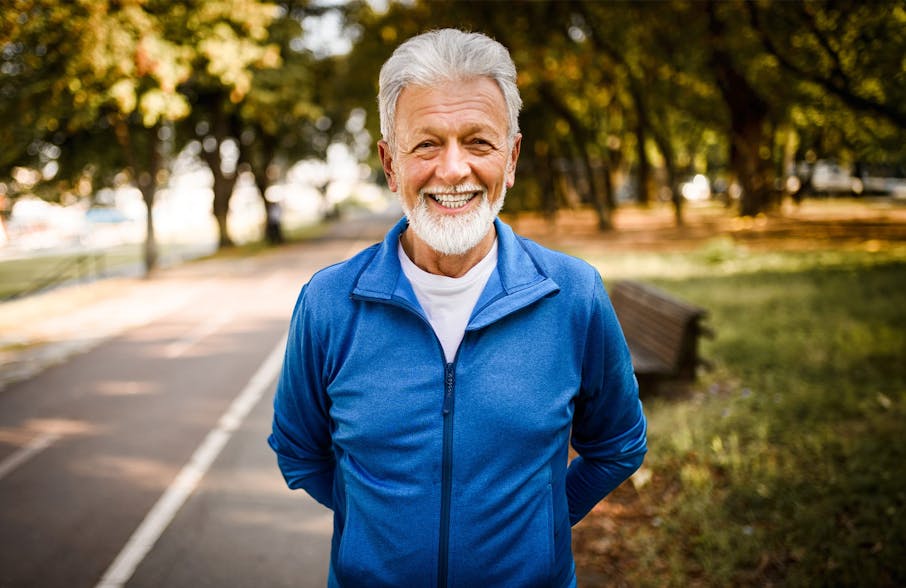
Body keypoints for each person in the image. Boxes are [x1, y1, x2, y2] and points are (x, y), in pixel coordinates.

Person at [268, 28, 647, 587]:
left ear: (511, 158)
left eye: (478, 142)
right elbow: (300, 453)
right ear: (390, 163)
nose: (452, 170)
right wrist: (380, 527)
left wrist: (540, 527)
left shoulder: (574, 295)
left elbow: (618, 446)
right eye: (425, 144)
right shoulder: (327, 304)